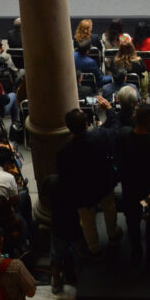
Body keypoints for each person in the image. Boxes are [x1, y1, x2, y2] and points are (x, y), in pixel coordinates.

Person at [56, 106, 123, 257]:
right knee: (109, 208)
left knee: (87, 220)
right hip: (104, 182)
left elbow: (64, 177)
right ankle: (112, 236)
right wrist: (109, 109)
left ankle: (94, 248)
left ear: (69, 128)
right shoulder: (101, 136)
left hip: (82, 190)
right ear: (87, 123)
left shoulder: (64, 153)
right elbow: (116, 127)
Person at [118, 102, 150, 265]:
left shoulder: (124, 136)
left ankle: (136, 252)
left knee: (132, 223)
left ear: (134, 118)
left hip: (130, 189)